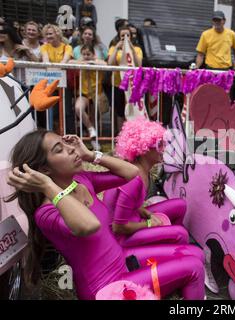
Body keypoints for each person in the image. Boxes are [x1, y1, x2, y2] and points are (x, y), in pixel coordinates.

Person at [6, 130, 205, 300]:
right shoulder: (46, 213)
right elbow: (89, 225)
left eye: (67, 144)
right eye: (60, 150)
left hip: (122, 260)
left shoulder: (81, 180)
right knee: (193, 268)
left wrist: (91, 155)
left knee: (195, 254)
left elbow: (131, 173)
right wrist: (48, 186)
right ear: (44, 170)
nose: (71, 149)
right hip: (107, 288)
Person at [103, 118, 188, 247]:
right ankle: (170, 252)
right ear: (144, 149)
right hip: (119, 239)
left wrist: (148, 214)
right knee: (181, 234)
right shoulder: (133, 177)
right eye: (160, 145)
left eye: (165, 144)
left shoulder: (141, 170)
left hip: (133, 219)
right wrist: (148, 224)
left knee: (180, 205)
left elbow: (132, 206)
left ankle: (166, 247)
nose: (164, 149)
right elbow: (117, 227)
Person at [69, 44, 108, 150]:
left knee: (95, 117)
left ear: (93, 54)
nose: (86, 56)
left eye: (88, 54)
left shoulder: (98, 61)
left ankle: (95, 142)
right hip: (84, 93)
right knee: (78, 108)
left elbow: (104, 63)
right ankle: (90, 129)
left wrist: (92, 61)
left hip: (97, 94)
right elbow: (70, 62)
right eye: (84, 54)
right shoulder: (80, 61)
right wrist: (84, 62)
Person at [40, 24, 75, 134]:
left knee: (67, 111)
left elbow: (64, 62)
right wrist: (55, 66)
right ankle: (53, 134)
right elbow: (46, 62)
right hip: (50, 83)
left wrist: (53, 66)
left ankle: (70, 134)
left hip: (64, 83)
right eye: (46, 34)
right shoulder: (44, 47)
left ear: (57, 34)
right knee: (52, 111)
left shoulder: (67, 47)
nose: (48, 36)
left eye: (50, 33)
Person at [107, 26, 143, 133]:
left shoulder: (137, 49)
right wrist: (117, 48)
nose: (125, 37)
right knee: (120, 112)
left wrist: (131, 48)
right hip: (118, 84)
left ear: (131, 37)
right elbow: (110, 63)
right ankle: (121, 135)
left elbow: (139, 64)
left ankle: (132, 134)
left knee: (132, 110)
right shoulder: (114, 48)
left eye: (127, 35)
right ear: (119, 37)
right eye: (122, 35)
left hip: (132, 85)